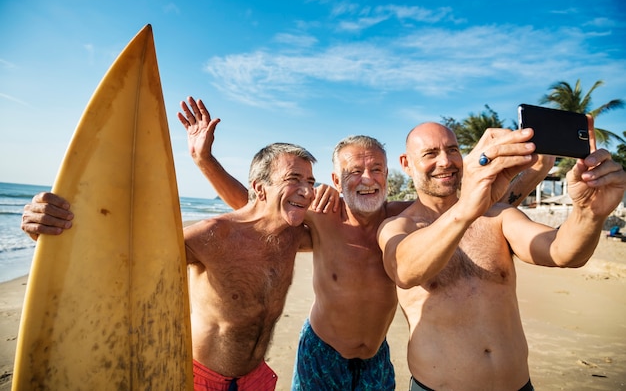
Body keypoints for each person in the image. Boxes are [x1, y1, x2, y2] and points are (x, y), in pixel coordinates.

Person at [175, 97, 555, 390]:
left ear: (390, 173)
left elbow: (485, 201)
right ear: (337, 179)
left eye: (376, 169)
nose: (367, 178)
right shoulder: (323, 218)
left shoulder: (409, 219)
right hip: (322, 352)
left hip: (376, 356)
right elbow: (260, 208)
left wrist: (535, 169)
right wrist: (205, 160)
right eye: (354, 171)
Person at [22, 142, 318, 391]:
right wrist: (53, 231)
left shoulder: (294, 236)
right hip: (200, 378)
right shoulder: (213, 234)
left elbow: (350, 236)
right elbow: (125, 257)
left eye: (311, 181)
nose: (307, 191)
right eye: (294, 178)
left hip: (256, 379)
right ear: (260, 188)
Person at [376, 122, 626, 391]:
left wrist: (589, 213)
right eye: (430, 154)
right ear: (406, 163)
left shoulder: (497, 216)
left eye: (452, 150)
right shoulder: (398, 226)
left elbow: (563, 252)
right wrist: (467, 208)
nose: (445, 161)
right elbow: (405, 270)